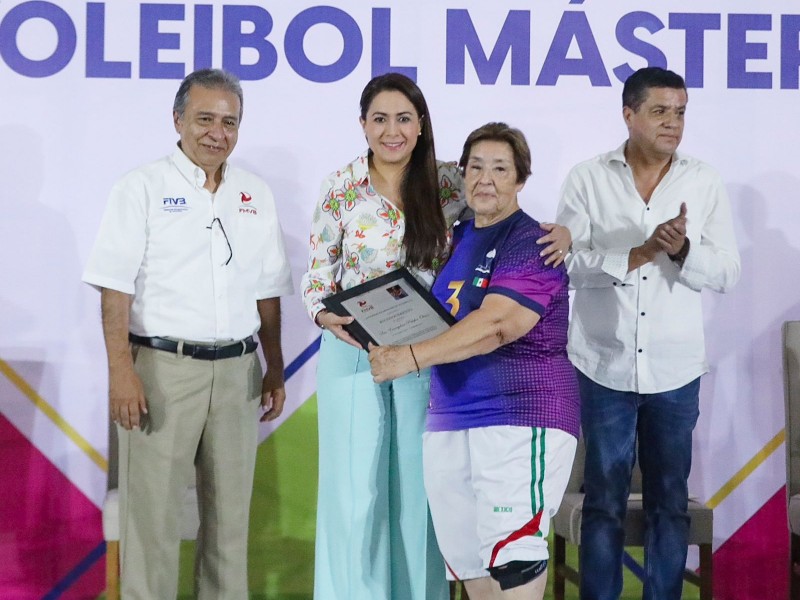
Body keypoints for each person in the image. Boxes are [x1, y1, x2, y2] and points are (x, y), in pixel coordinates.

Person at [300, 76, 570, 600]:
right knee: (352, 493)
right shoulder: (340, 187)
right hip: (353, 350)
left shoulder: (450, 181)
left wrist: (566, 232)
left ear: (421, 124)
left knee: (422, 494)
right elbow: (317, 276)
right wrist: (322, 315)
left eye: (404, 118)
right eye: (380, 119)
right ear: (362, 124)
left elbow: (502, 219)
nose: (392, 131)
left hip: (429, 352)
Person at [82, 68, 293, 599]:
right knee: (151, 525)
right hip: (161, 372)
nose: (217, 133)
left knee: (229, 526)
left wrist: (275, 367)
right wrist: (121, 374)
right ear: (177, 120)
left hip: (239, 373)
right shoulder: (140, 187)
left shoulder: (254, 193)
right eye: (204, 119)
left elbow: (268, 290)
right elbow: (114, 289)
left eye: (229, 122)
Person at [369, 122, 580, 600]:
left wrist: (408, 357)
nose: (486, 179)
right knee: (470, 566)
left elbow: (497, 325)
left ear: (521, 179)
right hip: (449, 417)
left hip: (520, 415)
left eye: (500, 169)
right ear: (462, 174)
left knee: (514, 558)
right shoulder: (457, 236)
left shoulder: (533, 242)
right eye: (476, 167)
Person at [555, 67, 741, 600]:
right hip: (603, 364)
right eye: (660, 111)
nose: (673, 123)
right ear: (628, 114)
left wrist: (682, 251)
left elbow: (728, 273)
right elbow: (567, 266)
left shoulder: (703, 181)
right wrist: (636, 253)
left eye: (680, 112)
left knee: (669, 503)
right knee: (603, 502)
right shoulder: (587, 178)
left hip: (674, 370)